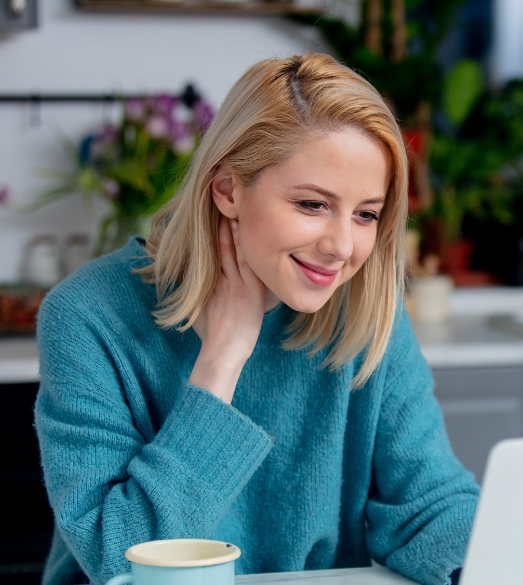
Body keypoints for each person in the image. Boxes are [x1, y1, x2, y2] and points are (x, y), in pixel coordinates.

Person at [34, 53, 479, 585]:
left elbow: (429, 507)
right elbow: (119, 560)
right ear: (227, 190)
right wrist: (221, 361)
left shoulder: (362, 309)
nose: (342, 247)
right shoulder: (88, 315)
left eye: (366, 214)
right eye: (313, 204)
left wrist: (497, 556)